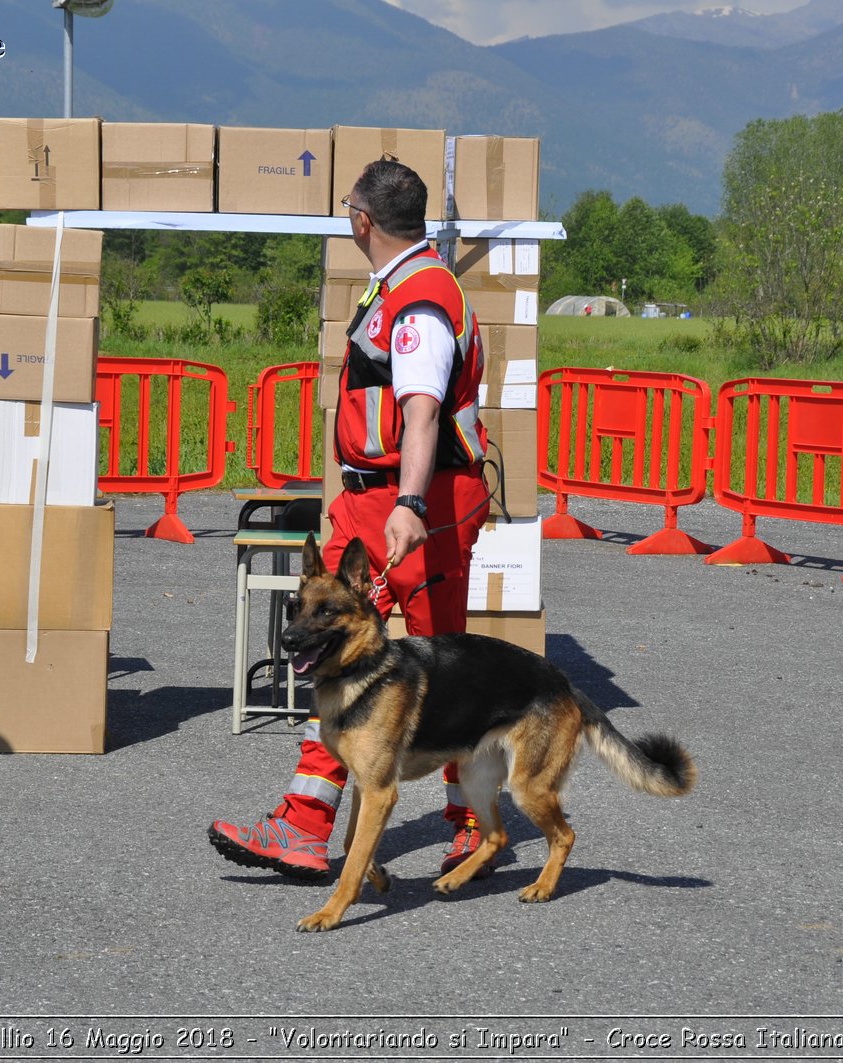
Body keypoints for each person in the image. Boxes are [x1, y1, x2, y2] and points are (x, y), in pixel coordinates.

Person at [210, 159, 493, 879]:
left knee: (441, 664)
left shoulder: (421, 298)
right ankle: (304, 824)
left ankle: (471, 824)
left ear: (360, 220)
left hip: (415, 503)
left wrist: (408, 504)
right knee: (339, 659)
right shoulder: (402, 285)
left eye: (347, 206)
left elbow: (422, 415)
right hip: (377, 500)